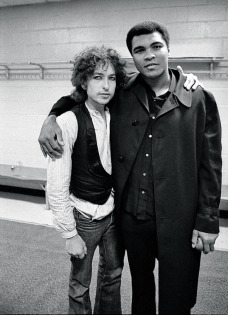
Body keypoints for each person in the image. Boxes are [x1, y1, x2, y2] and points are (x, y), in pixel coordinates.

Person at [39, 21, 222, 315]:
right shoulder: (122, 92)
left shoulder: (198, 97)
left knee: (178, 294)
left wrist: (208, 220)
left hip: (180, 217)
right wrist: (51, 117)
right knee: (140, 290)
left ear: (168, 49)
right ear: (133, 58)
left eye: (156, 46)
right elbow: (79, 95)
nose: (148, 55)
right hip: (133, 218)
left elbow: (211, 165)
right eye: (139, 50)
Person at [46, 46, 126, 314]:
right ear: (83, 81)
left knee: (113, 276)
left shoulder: (115, 113)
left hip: (113, 213)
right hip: (83, 216)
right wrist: (69, 233)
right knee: (80, 284)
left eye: (111, 78)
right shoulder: (68, 122)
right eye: (97, 77)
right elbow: (56, 187)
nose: (106, 86)